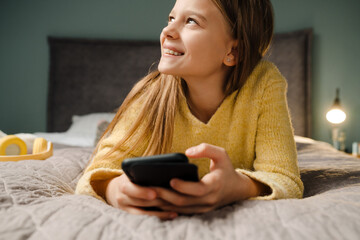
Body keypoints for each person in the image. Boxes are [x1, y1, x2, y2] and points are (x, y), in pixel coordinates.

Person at [76, 0, 304, 220]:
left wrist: (238, 186)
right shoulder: (150, 95)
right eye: (171, 18)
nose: (168, 31)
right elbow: (97, 172)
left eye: (191, 21)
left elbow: (285, 179)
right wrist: (116, 190)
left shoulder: (263, 82)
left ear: (233, 52)